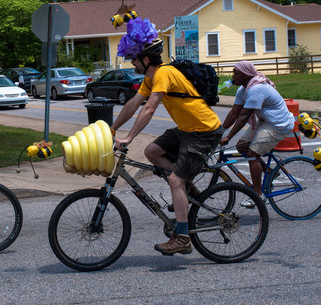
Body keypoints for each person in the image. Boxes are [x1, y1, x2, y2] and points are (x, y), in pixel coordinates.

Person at [111, 17, 224, 256]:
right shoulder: (150, 78)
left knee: (174, 180)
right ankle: (189, 189)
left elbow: (149, 108)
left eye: (134, 58)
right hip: (187, 130)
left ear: (145, 59)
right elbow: (134, 103)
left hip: (203, 131)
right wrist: (113, 128)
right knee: (152, 151)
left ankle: (182, 237)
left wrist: (128, 138)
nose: (132, 63)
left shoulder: (164, 74)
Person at [220, 60, 294, 207]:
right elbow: (234, 113)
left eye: (236, 73)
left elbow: (243, 116)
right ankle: (271, 172)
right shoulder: (243, 90)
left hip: (278, 124)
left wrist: (228, 136)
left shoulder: (257, 89)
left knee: (252, 155)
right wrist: (220, 131)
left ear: (245, 75)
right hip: (265, 121)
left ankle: (258, 195)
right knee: (242, 147)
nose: (232, 76)